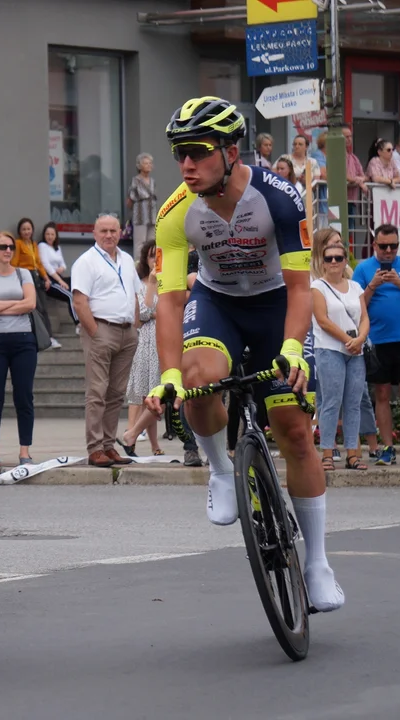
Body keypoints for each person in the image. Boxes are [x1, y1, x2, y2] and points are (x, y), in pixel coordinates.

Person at [145, 96, 344, 613]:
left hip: (279, 305)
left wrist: (295, 350)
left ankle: (318, 561)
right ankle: (217, 468)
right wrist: (167, 374)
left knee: (294, 430)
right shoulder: (174, 213)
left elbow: (303, 289)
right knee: (195, 377)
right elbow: (170, 300)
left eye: (197, 151)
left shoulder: (278, 197)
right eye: (178, 154)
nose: (186, 164)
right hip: (219, 305)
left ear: (231, 151)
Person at [353, 224, 400, 468]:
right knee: (382, 394)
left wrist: (399, 283)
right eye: (384, 246)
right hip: (377, 342)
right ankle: (387, 448)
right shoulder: (364, 268)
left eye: (393, 246)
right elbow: (356, 306)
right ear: (375, 245)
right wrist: (373, 285)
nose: (389, 251)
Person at [72, 214, 140, 468]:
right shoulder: (86, 262)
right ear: (94, 232)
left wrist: (134, 326)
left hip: (126, 332)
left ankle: (109, 445)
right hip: (101, 329)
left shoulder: (126, 259)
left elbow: (134, 294)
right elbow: (79, 301)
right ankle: (95, 448)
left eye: (113, 230)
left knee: (116, 393)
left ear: (120, 232)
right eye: (104, 231)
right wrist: (95, 332)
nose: (109, 235)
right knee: (97, 392)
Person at [0, 231, 39, 467]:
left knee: (24, 396)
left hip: (23, 341)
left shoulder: (23, 274)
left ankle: (25, 451)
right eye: (2, 247)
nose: (8, 250)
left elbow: (31, 303)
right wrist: (17, 305)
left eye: (11, 246)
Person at [310, 231, 369, 471]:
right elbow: (322, 320)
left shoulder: (355, 286)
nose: (333, 262)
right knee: (331, 402)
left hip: (355, 352)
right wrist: (349, 340)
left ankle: (353, 454)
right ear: (322, 262)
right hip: (329, 349)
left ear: (345, 261)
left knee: (353, 403)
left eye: (338, 258)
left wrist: (361, 338)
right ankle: (327, 452)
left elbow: (365, 317)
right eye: (329, 258)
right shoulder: (318, 286)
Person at [119, 239, 167, 458]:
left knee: (156, 392)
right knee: (139, 393)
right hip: (146, 340)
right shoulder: (140, 283)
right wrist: (153, 283)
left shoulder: (170, 281)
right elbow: (144, 313)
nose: (154, 260)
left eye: (157, 255)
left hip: (165, 339)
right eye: (150, 256)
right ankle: (132, 438)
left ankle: (154, 444)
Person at [13, 217, 61, 348]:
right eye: (24, 229)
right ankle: (41, 338)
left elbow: (39, 263)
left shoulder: (34, 244)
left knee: (43, 308)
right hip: (25, 276)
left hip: (36, 276)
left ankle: (49, 337)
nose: (26, 231)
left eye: (28, 229)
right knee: (35, 307)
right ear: (20, 231)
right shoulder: (18, 244)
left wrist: (46, 278)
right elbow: (15, 263)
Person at [126, 153, 158, 247]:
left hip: (152, 216)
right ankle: (138, 261)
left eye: (150, 163)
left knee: (151, 243)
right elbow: (130, 199)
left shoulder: (152, 181)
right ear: (139, 166)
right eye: (146, 163)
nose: (149, 165)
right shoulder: (135, 180)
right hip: (140, 216)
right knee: (140, 243)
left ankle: (149, 261)